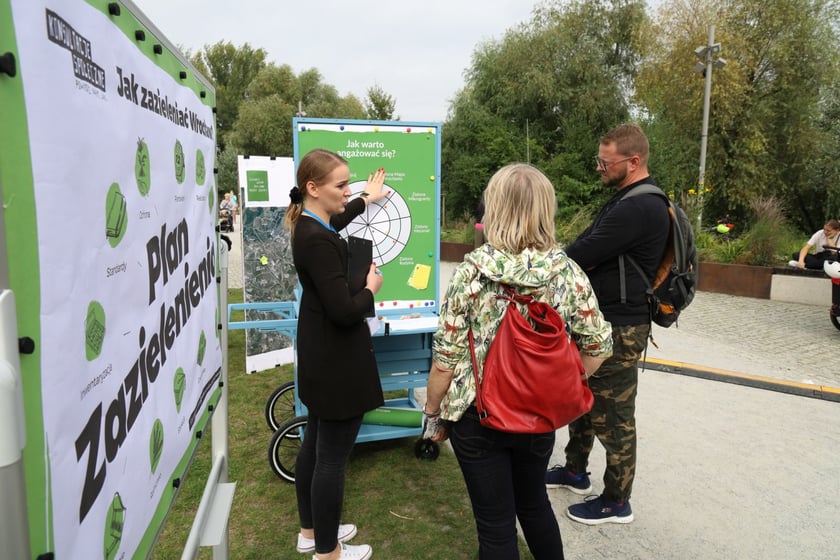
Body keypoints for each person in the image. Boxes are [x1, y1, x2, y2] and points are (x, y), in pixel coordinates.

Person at [423, 163, 613, 559]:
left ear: (494, 207)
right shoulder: (568, 272)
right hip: (538, 414)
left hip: (478, 415)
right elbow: (598, 344)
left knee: (495, 527)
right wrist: (563, 379)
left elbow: (446, 358)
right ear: (546, 209)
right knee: (533, 505)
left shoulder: (472, 273)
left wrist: (433, 411)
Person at [544, 123, 670, 525]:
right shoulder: (626, 199)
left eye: (605, 161)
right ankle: (575, 471)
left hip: (619, 326)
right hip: (602, 321)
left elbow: (582, 251)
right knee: (583, 401)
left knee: (614, 416)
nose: (599, 167)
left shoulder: (639, 206)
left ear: (633, 162)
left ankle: (617, 501)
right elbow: (587, 246)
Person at [284, 148, 388, 560]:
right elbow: (344, 311)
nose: (348, 191)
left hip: (321, 352)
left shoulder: (310, 224)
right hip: (337, 359)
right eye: (341, 185)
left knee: (315, 446)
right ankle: (328, 553)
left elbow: (338, 220)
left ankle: (312, 532)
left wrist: (367, 198)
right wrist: (371, 289)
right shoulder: (316, 240)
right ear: (313, 188)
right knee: (330, 460)